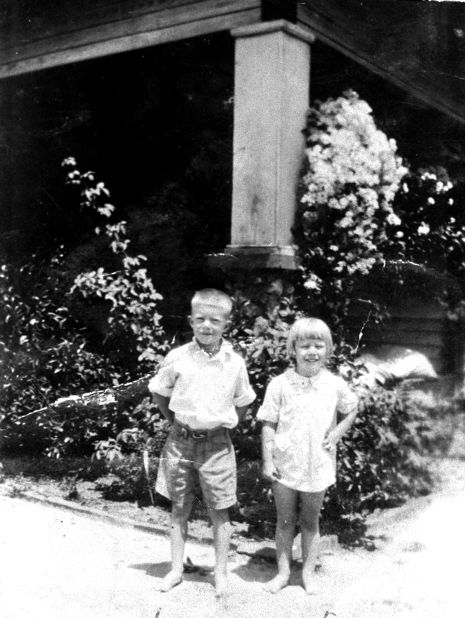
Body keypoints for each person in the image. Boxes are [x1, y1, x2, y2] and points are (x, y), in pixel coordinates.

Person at [148, 288, 256, 596]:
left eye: (215, 320)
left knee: (219, 510)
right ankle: (175, 570)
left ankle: (220, 573)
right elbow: (159, 389)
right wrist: (173, 422)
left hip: (217, 446)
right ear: (191, 321)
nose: (207, 326)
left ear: (226, 324)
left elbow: (244, 400)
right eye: (201, 319)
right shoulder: (178, 357)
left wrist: (222, 428)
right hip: (179, 442)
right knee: (178, 508)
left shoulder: (234, 362)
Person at [257, 317, 358, 594]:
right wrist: (267, 460)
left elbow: (352, 408)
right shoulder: (279, 384)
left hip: (319, 464)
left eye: (318, 345)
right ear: (293, 349)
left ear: (328, 349)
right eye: (305, 345)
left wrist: (337, 433)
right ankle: (283, 574)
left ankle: (308, 575)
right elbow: (268, 423)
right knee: (285, 520)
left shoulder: (334, 384)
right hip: (285, 464)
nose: (312, 351)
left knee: (311, 522)